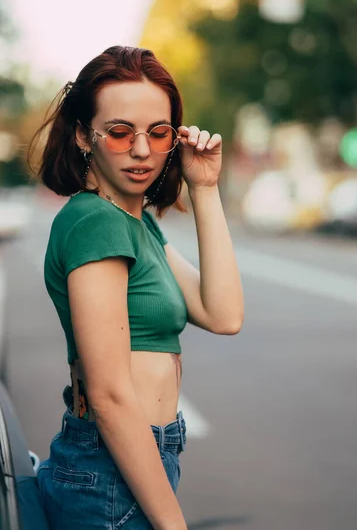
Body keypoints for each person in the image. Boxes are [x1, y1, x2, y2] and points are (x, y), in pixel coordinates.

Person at [27, 45, 244, 530]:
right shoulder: (94, 222)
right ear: (84, 135)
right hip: (109, 473)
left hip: (135, 459)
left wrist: (204, 188)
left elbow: (223, 314)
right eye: (121, 133)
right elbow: (109, 396)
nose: (142, 150)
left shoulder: (136, 222)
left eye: (159, 132)